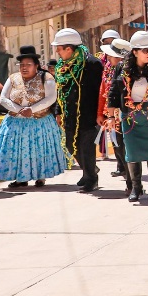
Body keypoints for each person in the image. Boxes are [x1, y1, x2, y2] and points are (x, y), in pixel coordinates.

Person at [107, 31, 148, 202]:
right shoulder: (122, 68)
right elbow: (113, 92)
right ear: (134, 52)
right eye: (144, 50)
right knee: (132, 152)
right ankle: (136, 187)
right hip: (130, 114)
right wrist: (112, 116)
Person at [0, 46, 64, 187]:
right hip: (16, 122)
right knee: (18, 151)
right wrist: (20, 110)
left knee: (40, 149)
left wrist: (32, 110)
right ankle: (20, 178)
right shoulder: (13, 78)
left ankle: (41, 176)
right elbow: (3, 98)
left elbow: (50, 98)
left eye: (28, 65)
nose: (24, 68)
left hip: (40, 121)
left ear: (36, 66)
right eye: (22, 65)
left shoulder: (46, 77)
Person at [52, 27, 104, 192]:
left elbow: (101, 91)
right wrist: (58, 111)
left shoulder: (92, 64)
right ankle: (89, 170)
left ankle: (91, 179)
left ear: (69, 48)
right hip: (70, 115)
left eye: (59, 49)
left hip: (88, 115)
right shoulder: (62, 66)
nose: (57, 53)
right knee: (70, 145)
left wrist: (100, 114)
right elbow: (59, 90)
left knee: (86, 147)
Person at [99, 39, 131, 190]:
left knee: (126, 147)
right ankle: (129, 179)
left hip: (128, 115)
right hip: (115, 116)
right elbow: (107, 94)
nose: (108, 58)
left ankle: (132, 181)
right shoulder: (109, 70)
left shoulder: (128, 71)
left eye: (111, 56)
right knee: (119, 146)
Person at [94, 30, 121, 160]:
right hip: (106, 102)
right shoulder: (99, 61)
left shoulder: (124, 62)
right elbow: (101, 86)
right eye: (106, 43)